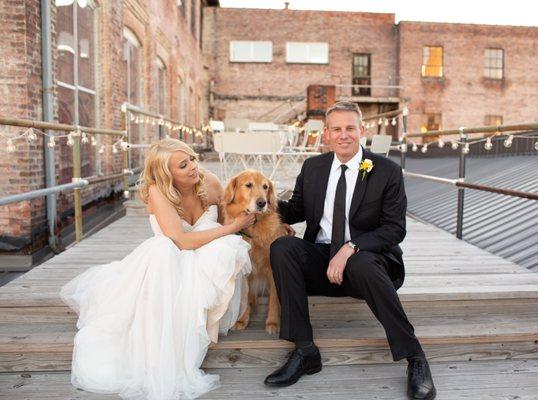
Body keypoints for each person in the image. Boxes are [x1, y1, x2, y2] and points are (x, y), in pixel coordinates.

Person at [60, 138, 255, 400]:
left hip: (206, 252)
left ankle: (199, 324)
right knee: (163, 250)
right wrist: (231, 228)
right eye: (183, 165)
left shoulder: (210, 182)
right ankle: (165, 348)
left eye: (192, 159)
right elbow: (181, 241)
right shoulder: (157, 191)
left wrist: (252, 228)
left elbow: (224, 222)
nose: (193, 167)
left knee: (229, 248)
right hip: (170, 258)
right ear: (167, 174)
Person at [265, 101, 436, 400]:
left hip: (367, 267)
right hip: (322, 262)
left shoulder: (387, 171)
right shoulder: (313, 168)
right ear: (327, 134)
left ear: (362, 131)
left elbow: (395, 228)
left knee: (362, 263)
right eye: (336, 129)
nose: (343, 135)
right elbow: (297, 209)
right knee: (283, 248)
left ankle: (415, 358)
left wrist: (351, 247)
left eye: (349, 128)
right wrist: (259, 203)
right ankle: (305, 351)